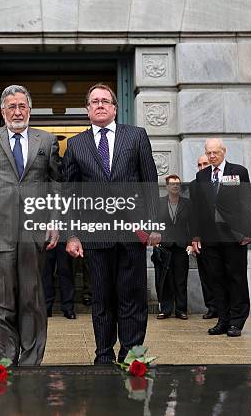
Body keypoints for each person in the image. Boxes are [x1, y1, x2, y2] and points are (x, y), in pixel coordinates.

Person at [63, 83, 160, 365]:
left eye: (106, 101)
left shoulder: (136, 136)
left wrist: (154, 224)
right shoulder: (76, 144)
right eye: (95, 101)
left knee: (132, 296)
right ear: (87, 109)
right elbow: (69, 193)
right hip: (95, 235)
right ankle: (103, 354)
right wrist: (72, 235)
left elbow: (149, 182)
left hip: (132, 232)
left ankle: (131, 354)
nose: (100, 105)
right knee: (102, 298)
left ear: (115, 108)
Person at [0, 84, 61, 366]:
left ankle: (31, 361)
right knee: (3, 298)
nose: (17, 112)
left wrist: (55, 220)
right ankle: (7, 358)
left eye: (22, 106)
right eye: (12, 107)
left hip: (35, 232)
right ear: (2, 111)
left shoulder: (46, 141)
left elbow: (56, 183)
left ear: (30, 110)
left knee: (32, 297)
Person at [191, 138, 251, 337]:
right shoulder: (201, 177)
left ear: (223, 151)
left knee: (236, 278)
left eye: (215, 152)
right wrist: (195, 236)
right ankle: (223, 320)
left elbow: (246, 203)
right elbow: (198, 209)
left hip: (234, 235)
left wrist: (246, 232)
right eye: (208, 153)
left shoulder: (239, 172)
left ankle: (237, 321)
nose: (211, 156)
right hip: (211, 237)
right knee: (216, 279)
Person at [155, 174, 191, 321]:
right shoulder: (159, 203)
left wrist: (190, 243)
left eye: (177, 184)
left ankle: (181, 309)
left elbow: (192, 224)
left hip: (181, 246)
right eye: (172, 184)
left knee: (181, 279)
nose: (175, 186)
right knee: (165, 279)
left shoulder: (188, 203)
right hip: (164, 247)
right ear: (167, 186)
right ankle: (165, 309)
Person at [191, 155, 218, 319]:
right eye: (199, 164)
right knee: (206, 273)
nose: (202, 167)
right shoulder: (195, 185)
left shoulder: (221, 182)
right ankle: (212, 306)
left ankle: (225, 307)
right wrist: (195, 237)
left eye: (205, 164)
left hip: (222, 237)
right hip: (204, 238)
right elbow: (194, 213)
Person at [43, 243, 76, 319]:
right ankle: (46, 306)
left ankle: (68, 307)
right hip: (46, 235)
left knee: (66, 270)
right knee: (46, 272)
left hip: (64, 235)